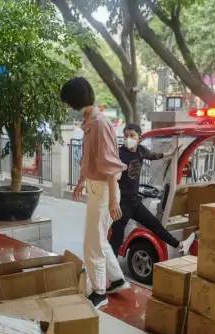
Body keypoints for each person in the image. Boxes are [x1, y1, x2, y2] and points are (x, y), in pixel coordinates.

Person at [60, 77, 128, 308]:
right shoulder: (91, 121)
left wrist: (113, 201)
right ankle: (117, 280)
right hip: (97, 188)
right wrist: (81, 181)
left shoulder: (99, 123)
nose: (68, 106)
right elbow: (91, 159)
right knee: (97, 239)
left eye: (68, 101)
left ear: (74, 100)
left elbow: (110, 165)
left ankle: (99, 292)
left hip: (104, 191)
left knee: (93, 244)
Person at [109, 123, 193, 256]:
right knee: (116, 238)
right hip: (122, 204)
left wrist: (172, 153)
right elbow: (111, 177)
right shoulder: (119, 154)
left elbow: (155, 155)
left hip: (135, 202)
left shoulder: (141, 150)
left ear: (139, 138)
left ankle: (180, 245)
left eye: (132, 135)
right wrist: (113, 201)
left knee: (155, 225)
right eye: (125, 136)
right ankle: (109, 268)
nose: (128, 138)